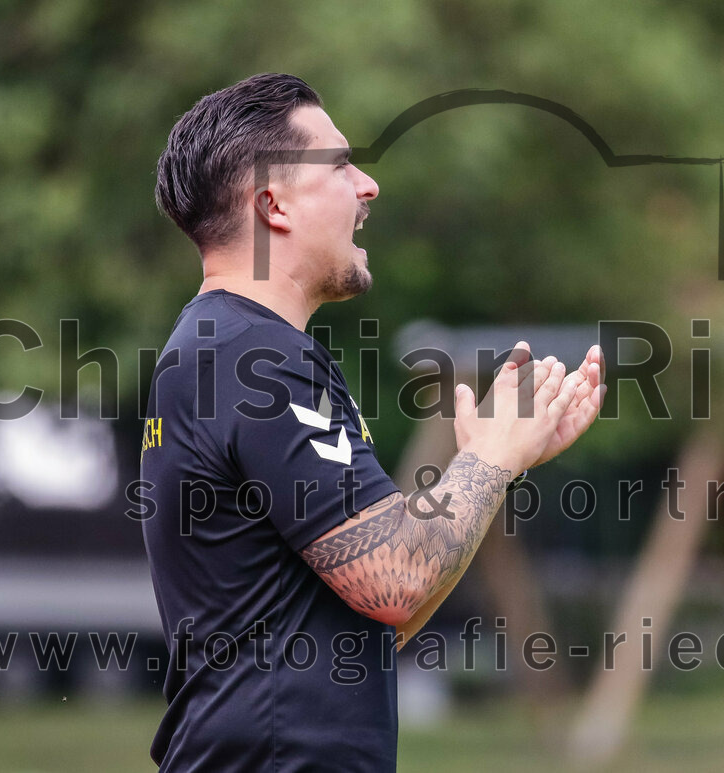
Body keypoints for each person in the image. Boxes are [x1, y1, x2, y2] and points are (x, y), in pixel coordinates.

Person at [142, 72, 604, 771]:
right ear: (273, 204)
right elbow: (397, 576)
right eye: (338, 164)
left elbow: (368, 623)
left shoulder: (226, 346)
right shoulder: (253, 355)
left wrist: (487, 463)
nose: (368, 186)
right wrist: (493, 460)